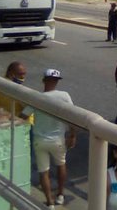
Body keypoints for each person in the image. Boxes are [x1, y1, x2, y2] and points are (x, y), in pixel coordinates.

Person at [21, 69, 76, 209]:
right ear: (57, 81)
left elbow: (23, 115)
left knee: (43, 171)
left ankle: (50, 203)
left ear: (44, 80)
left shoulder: (37, 97)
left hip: (40, 140)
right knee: (61, 164)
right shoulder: (64, 95)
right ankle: (61, 195)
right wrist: (72, 134)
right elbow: (73, 115)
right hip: (58, 139)